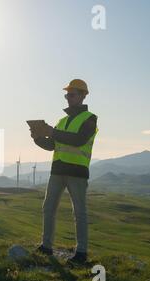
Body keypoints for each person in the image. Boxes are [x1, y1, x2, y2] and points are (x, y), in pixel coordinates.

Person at [30, 79, 98, 264]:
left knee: (79, 213)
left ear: (83, 96)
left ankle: (81, 253)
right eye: (67, 94)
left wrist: (52, 132)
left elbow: (78, 140)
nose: (68, 98)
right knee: (48, 208)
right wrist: (37, 138)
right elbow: (52, 145)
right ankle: (46, 247)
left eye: (72, 94)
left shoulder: (90, 119)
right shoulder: (62, 121)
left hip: (77, 173)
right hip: (57, 171)